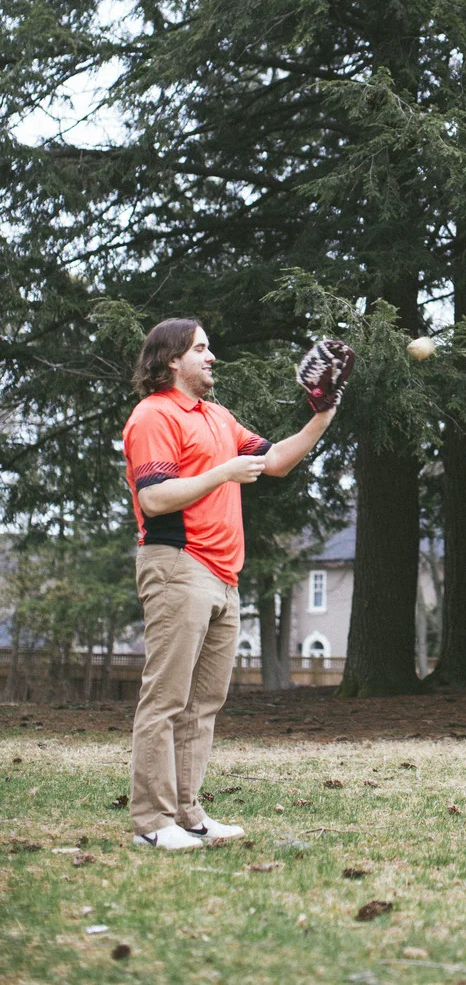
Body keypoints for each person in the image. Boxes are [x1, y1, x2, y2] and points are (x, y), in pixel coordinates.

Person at [124, 319, 352, 851]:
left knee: (203, 703)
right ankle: (152, 824)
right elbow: (155, 498)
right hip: (177, 564)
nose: (212, 357)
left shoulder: (218, 417)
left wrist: (323, 414)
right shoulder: (153, 415)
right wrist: (224, 472)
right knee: (166, 699)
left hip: (224, 577)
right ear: (171, 360)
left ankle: (188, 814)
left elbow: (273, 462)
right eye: (200, 349)